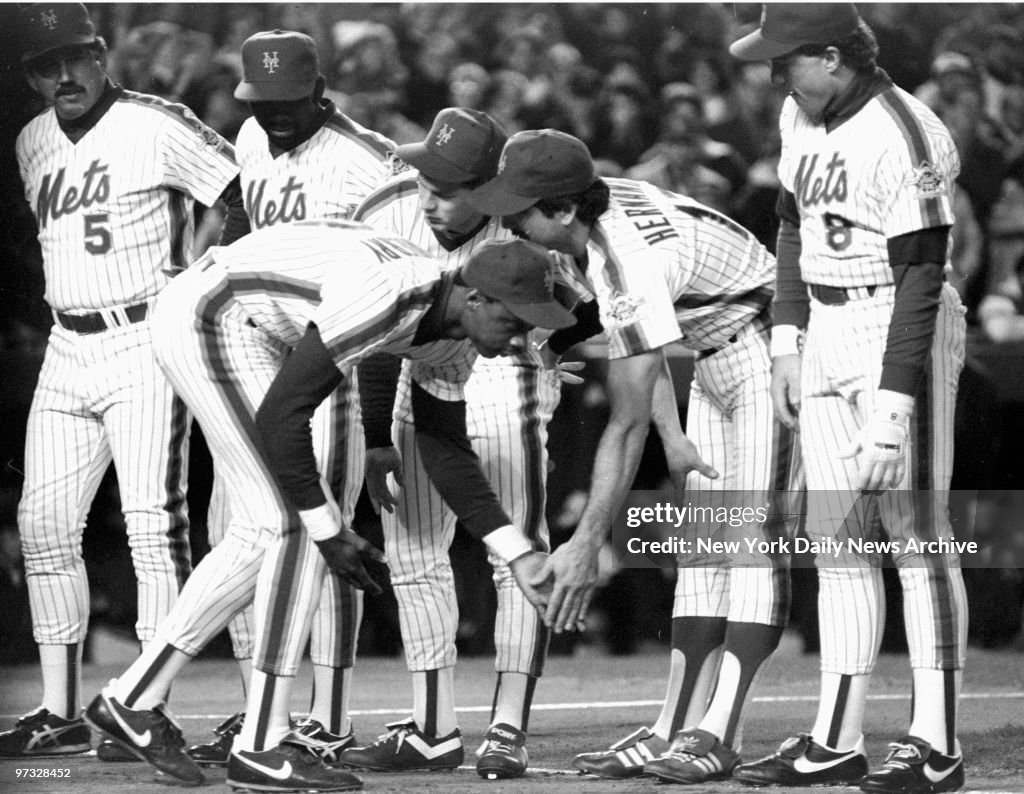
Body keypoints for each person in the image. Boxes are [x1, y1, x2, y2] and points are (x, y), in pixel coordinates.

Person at [81, 219, 569, 792]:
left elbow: (444, 446)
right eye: (514, 321)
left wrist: (516, 553)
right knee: (295, 526)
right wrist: (327, 528)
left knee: (267, 529)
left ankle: (133, 699)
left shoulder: (456, 336)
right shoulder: (389, 297)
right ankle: (260, 744)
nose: (520, 341)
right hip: (213, 314)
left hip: (262, 323)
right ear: (475, 295)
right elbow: (282, 416)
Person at [467, 129, 801, 784]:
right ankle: (674, 726)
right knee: (704, 552)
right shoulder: (597, 212)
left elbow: (624, 421)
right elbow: (640, 339)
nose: (508, 218)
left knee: (749, 543)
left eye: (520, 207)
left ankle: (719, 732)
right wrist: (674, 437)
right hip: (715, 353)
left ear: (563, 208)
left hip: (769, 351)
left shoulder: (625, 258)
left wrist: (587, 541)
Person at [728, 5, 968, 792]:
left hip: (896, 323)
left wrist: (894, 407)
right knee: (837, 543)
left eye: (784, 60)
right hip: (825, 323)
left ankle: (937, 746)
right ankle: (837, 738)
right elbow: (790, 224)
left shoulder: (907, 131)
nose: (772, 75)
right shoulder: (803, 110)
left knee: (916, 536)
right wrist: (789, 343)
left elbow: (924, 275)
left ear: (833, 56)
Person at [0, 2, 242, 761]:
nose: (62, 75)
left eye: (74, 57)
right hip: (65, 344)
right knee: (43, 526)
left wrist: (202, 277)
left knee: (150, 526)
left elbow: (239, 193)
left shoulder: (156, 122)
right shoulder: (32, 140)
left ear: (101, 53)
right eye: (46, 65)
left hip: (143, 336)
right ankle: (61, 708)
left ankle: (144, 704)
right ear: (32, 76)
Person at [184, 28, 397, 768]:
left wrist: (376, 429)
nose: (271, 112)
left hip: (329, 361)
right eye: (259, 99)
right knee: (241, 530)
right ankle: (261, 714)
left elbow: (385, 294)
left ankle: (328, 717)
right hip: (252, 354)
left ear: (319, 86)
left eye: (285, 100)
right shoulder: (250, 132)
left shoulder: (365, 161)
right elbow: (243, 222)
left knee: (324, 535)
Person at [345, 107, 572, 779]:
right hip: (419, 372)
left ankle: (508, 729)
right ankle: (433, 728)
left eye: (450, 187)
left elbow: (576, 321)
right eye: (428, 179)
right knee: (413, 552)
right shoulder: (388, 207)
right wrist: (375, 433)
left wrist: (557, 374)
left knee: (517, 554)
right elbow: (377, 327)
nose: (431, 199)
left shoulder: (532, 222)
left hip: (508, 368)